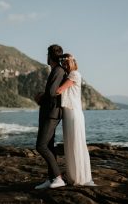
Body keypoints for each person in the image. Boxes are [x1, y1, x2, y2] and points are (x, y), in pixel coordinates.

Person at [56, 53, 95, 186]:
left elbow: (60, 90)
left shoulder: (74, 74)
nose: (66, 64)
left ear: (74, 62)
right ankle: (73, 176)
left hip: (73, 113)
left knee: (76, 144)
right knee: (70, 144)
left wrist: (44, 94)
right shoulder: (67, 75)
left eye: (69, 61)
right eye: (64, 62)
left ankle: (80, 177)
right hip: (68, 113)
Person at [34, 44, 66, 189]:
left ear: (50, 56)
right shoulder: (56, 70)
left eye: (47, 54)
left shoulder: (58, 70)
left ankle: (59, 178)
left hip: (52, 113)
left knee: (41, 146)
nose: (46, 57)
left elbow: (53, 92)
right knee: (49, 146)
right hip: (49, 112)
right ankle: (51, 178)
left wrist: (41, 96)